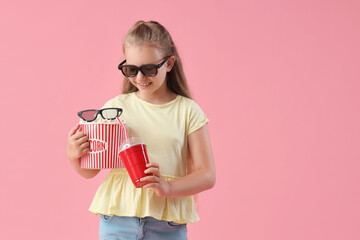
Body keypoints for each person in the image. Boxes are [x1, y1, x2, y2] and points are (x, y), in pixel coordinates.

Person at [67, 20, 216, 240]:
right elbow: (91, 170)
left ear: (169, 63)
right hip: (117, 220)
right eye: (131, 69)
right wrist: (74, 155)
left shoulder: (187, 111)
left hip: (167, 225)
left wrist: (167, 187)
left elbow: (207, 175)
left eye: (149, 69)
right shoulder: (114, 110)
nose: (139, 78)